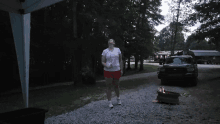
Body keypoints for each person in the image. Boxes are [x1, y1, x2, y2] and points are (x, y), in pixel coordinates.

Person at [101, 39, 123, 108]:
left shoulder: (118, 50)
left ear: (114, 43)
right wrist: (106, 65)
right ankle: (110, 102)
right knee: (109, 86)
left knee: (116, 85)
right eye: (109, 42)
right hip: (108, 71)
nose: (110, 43)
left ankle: (118, 98)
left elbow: (120, 60)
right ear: (108, 44)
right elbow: (102, 61)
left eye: (112, 42)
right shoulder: (105, 51)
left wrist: (121, 69)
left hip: (116, 70)